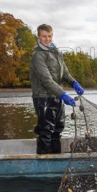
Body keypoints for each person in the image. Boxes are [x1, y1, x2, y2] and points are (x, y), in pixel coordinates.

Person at [30, 24, 84, 154]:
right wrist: (63, 94)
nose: (47, 39)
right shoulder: (38, 55)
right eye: (44, 36)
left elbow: (64, 72)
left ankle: (56, 159)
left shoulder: (56, 52)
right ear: (39, 36)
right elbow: (46, 80)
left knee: (58, 129)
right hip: (43, 98)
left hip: (56, 96)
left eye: (49, 36)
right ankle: (43, 165)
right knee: (46, 131)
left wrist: (74, 83)